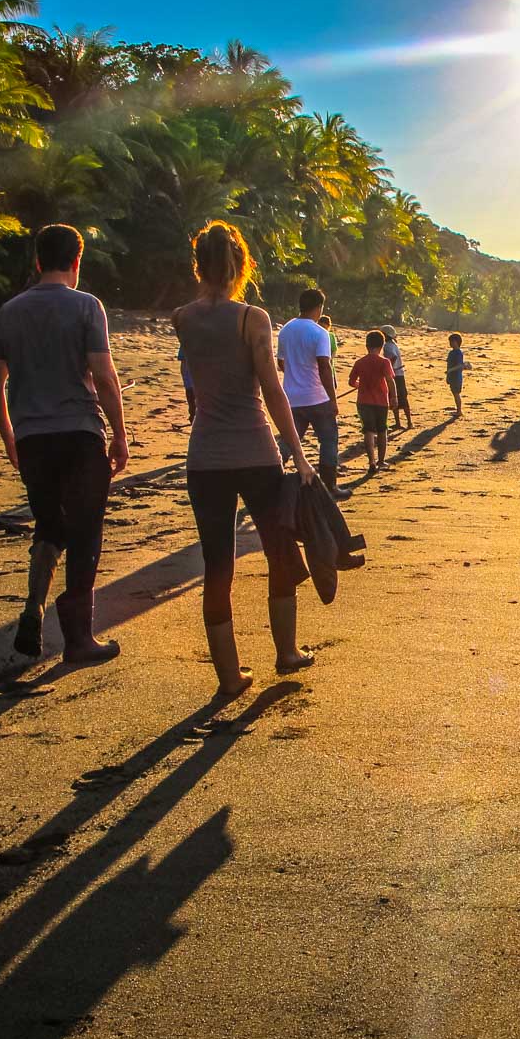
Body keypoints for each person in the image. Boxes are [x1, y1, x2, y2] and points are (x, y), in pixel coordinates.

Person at [174, 220, 319, 700]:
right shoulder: (252, 318)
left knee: (217, 565)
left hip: (204, 457)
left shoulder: (182, 318)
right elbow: (272, 391)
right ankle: (287, 651)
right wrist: (299, 454)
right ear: (242, 266)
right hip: (256, 452)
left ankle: (229, 677)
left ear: (199, 265)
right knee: (279, 552)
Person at [0, 223, 126, 664]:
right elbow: (103, 376)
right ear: (77, 261)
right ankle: (78, 638)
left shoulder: (10, 311)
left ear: (38, 261)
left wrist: (9, 435)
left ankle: (35, 604)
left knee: (49, 525)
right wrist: (120, 433)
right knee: (85, 533)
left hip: (32, 437)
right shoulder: (87, 306)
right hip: (80, 434)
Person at [275, 289, 350, 501]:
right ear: (319, 308)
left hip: (292, 396)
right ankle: (330, 486)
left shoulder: (286, 330)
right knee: (328, 439)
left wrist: (296, 374)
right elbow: (324, 367)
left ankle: (273, 477)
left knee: (290, 439)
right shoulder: (320, 333)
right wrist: (332, 399)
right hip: (316, 397)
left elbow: (281, 362)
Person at [349, 331, 397, 475]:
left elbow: (351, 382)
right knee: (382, 430)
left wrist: (359, 385)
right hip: (381, 401)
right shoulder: (384, 362)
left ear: (367, 345)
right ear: (381, 346)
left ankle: (371, 461)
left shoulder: (360, 362)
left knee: (368, 431)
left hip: (363, 401)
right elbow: (390, 381)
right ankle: (381, 461)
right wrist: (394, 397)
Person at [380, 324, 413, 430]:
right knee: (401, 398)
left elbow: (393, 357)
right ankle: (407, 422)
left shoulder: (388, 346)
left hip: (395, 375)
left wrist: (389, 369)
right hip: (399, 374)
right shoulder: (393, 344)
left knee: (395, 397)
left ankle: (402, 422)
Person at [445, 332, 466, 417]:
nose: (450, 343)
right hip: (452, 376)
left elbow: (460, 365)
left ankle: (459, 411)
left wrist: (451, 370)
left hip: (456, 376)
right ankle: (458, 410)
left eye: (452, 342)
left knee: (456, 393)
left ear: (456, 342)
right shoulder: (452, 352)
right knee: (454, 393)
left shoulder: (458, 353)